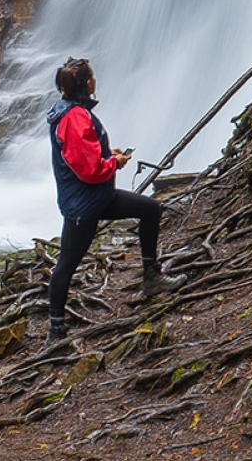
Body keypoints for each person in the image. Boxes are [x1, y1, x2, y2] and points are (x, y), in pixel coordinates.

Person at [44, 57, 181, 344]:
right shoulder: (74, 117)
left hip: (95, 198)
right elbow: (88, 169)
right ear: (86, 83)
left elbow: (85, 154)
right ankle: (55, 330)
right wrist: (113, 163)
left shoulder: (71, 111)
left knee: (150, 210)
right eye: (92, 76)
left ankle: (151, 278)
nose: (96, 80)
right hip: (85, 203)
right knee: (67, 262)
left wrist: (107, 152)